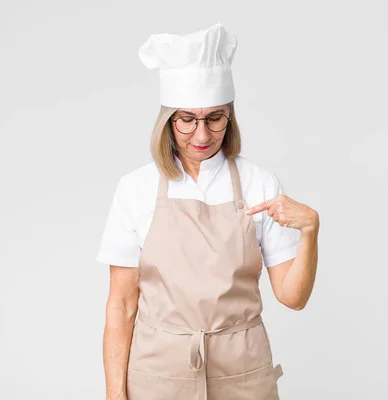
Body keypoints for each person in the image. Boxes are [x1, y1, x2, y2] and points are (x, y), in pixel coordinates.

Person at [96, 22, 320, 400]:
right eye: (187, 120)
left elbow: (292, 297)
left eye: (215, 118)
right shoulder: (135, 189)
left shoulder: (259, 184)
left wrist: (311, 230)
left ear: (230, 116)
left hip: (242, 372)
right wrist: (115, 395)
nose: (202, 136)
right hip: (158, 374)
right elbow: (121, 305)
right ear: (167, 121)